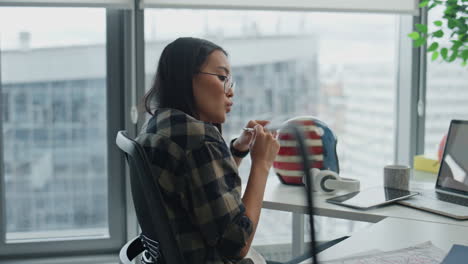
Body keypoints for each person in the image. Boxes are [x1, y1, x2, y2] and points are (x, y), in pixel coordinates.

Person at [137, 37, 281, 264]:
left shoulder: (159, 126)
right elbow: (238, 244)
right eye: (222, 77)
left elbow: (201, 189)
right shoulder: (198, 139)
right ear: (186, 77)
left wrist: (238, 149)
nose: (230, 91)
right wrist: (261, 163)